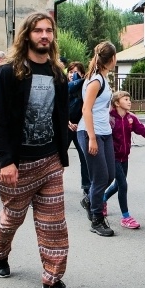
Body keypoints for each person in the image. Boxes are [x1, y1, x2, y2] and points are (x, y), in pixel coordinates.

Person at [0, 12, 74, 288]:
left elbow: (60, 115)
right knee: (11, 219)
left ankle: (53, 279)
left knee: (54, 225)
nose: (44, 35)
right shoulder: (9, 71)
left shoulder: (57, 73)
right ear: (27, 34)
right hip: (18, 163)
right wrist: (6, 161)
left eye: (49, 30)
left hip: (49, 160)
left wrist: (62, 154)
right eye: (38, 30)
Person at [105, 91, 145, 229]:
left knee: (117, 185)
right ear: (117, 103)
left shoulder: (131, 118)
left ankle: (102, 200)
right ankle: (126, 217)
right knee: (123, 185)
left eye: (129, 99)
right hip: (112, 157)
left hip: (124, 157)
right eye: (126, 99)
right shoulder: (109, 118)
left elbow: (144, 131)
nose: (129, 101)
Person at [77, 41, 118, 237]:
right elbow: (86, 109)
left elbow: (101, 107)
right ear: (112, 59)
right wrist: (91, 138)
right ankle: (96, 219)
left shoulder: (103, 78)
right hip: (90, 132)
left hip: (105, 132)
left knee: (109, 175)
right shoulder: (95, 81)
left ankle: (89, 200)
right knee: (100, 178)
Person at [65, 62, 90, 205]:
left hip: (80, 126)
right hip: (66, 125)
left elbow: (86, 108)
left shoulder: (84, 88)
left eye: (76, 72)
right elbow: (58, 107)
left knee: (84, 157)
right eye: (70, 71)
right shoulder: (64, 86)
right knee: (59, 157)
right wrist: (67, 122)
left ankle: (86, 187)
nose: (73, 74)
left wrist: (79, 124)